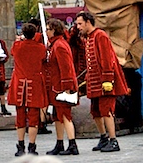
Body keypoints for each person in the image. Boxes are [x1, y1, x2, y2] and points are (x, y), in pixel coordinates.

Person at [74, 11, 129, 153]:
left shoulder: (100, 36)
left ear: (88, 22)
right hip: (94, 81)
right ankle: (103, 137)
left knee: (107, 111)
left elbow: (106, 59)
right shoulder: (89, 37)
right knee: (96, 111)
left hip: (104, 81)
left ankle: (113, 140)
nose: (78, 27)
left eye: (80, 24)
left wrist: (107, 79)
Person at [8, 23, 48, 156]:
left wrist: (20, 40)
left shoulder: (18, 46)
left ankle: (20, 146)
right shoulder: (41, 48)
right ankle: (32, 146)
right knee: (33, 117)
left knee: (20, 116)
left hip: (19, 83)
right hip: (34, 83)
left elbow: (13, 52)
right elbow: (43, 58)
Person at [44, 18, 79, 156]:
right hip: (56, 87)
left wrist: (67, 87)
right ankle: (59, 143)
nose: (46, 31)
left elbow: (66, 68)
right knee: (57, 116)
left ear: (54, 30)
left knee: (65, 115)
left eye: (48, 29)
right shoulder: (55, 45)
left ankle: (72, 144)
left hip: (61, 87)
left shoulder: (59, 45)